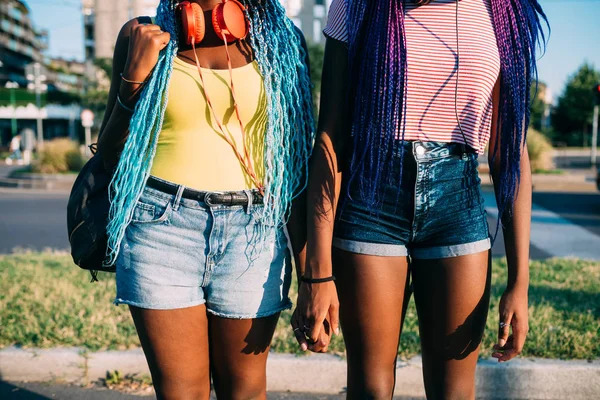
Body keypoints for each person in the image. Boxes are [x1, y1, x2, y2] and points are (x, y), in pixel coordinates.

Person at [294, 0, 547, 398]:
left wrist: (520, 282)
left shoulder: (500, 11)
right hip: (371, 198)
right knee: (370, 389)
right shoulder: (357, 6)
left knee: (454, 392)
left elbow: (509, 152)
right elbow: (331, 136)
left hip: (456, 201)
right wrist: (317, 273)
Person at [95, 0, 314, 398]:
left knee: (245, 390)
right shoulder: (139, 35)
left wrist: (312, 277)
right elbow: (109, 155)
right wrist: (133, 79)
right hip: (159, 228)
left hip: (254, 233)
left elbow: (296, 170)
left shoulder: (284, 43)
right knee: (182, 392)